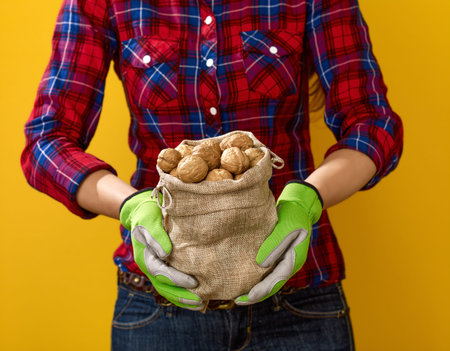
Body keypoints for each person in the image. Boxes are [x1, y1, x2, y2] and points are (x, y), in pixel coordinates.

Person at [21, 0, 403, 349]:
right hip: (161, 309)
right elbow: (46, 141)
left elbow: (372, 124)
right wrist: (131, 207)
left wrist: (308, 198)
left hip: (298, 299)